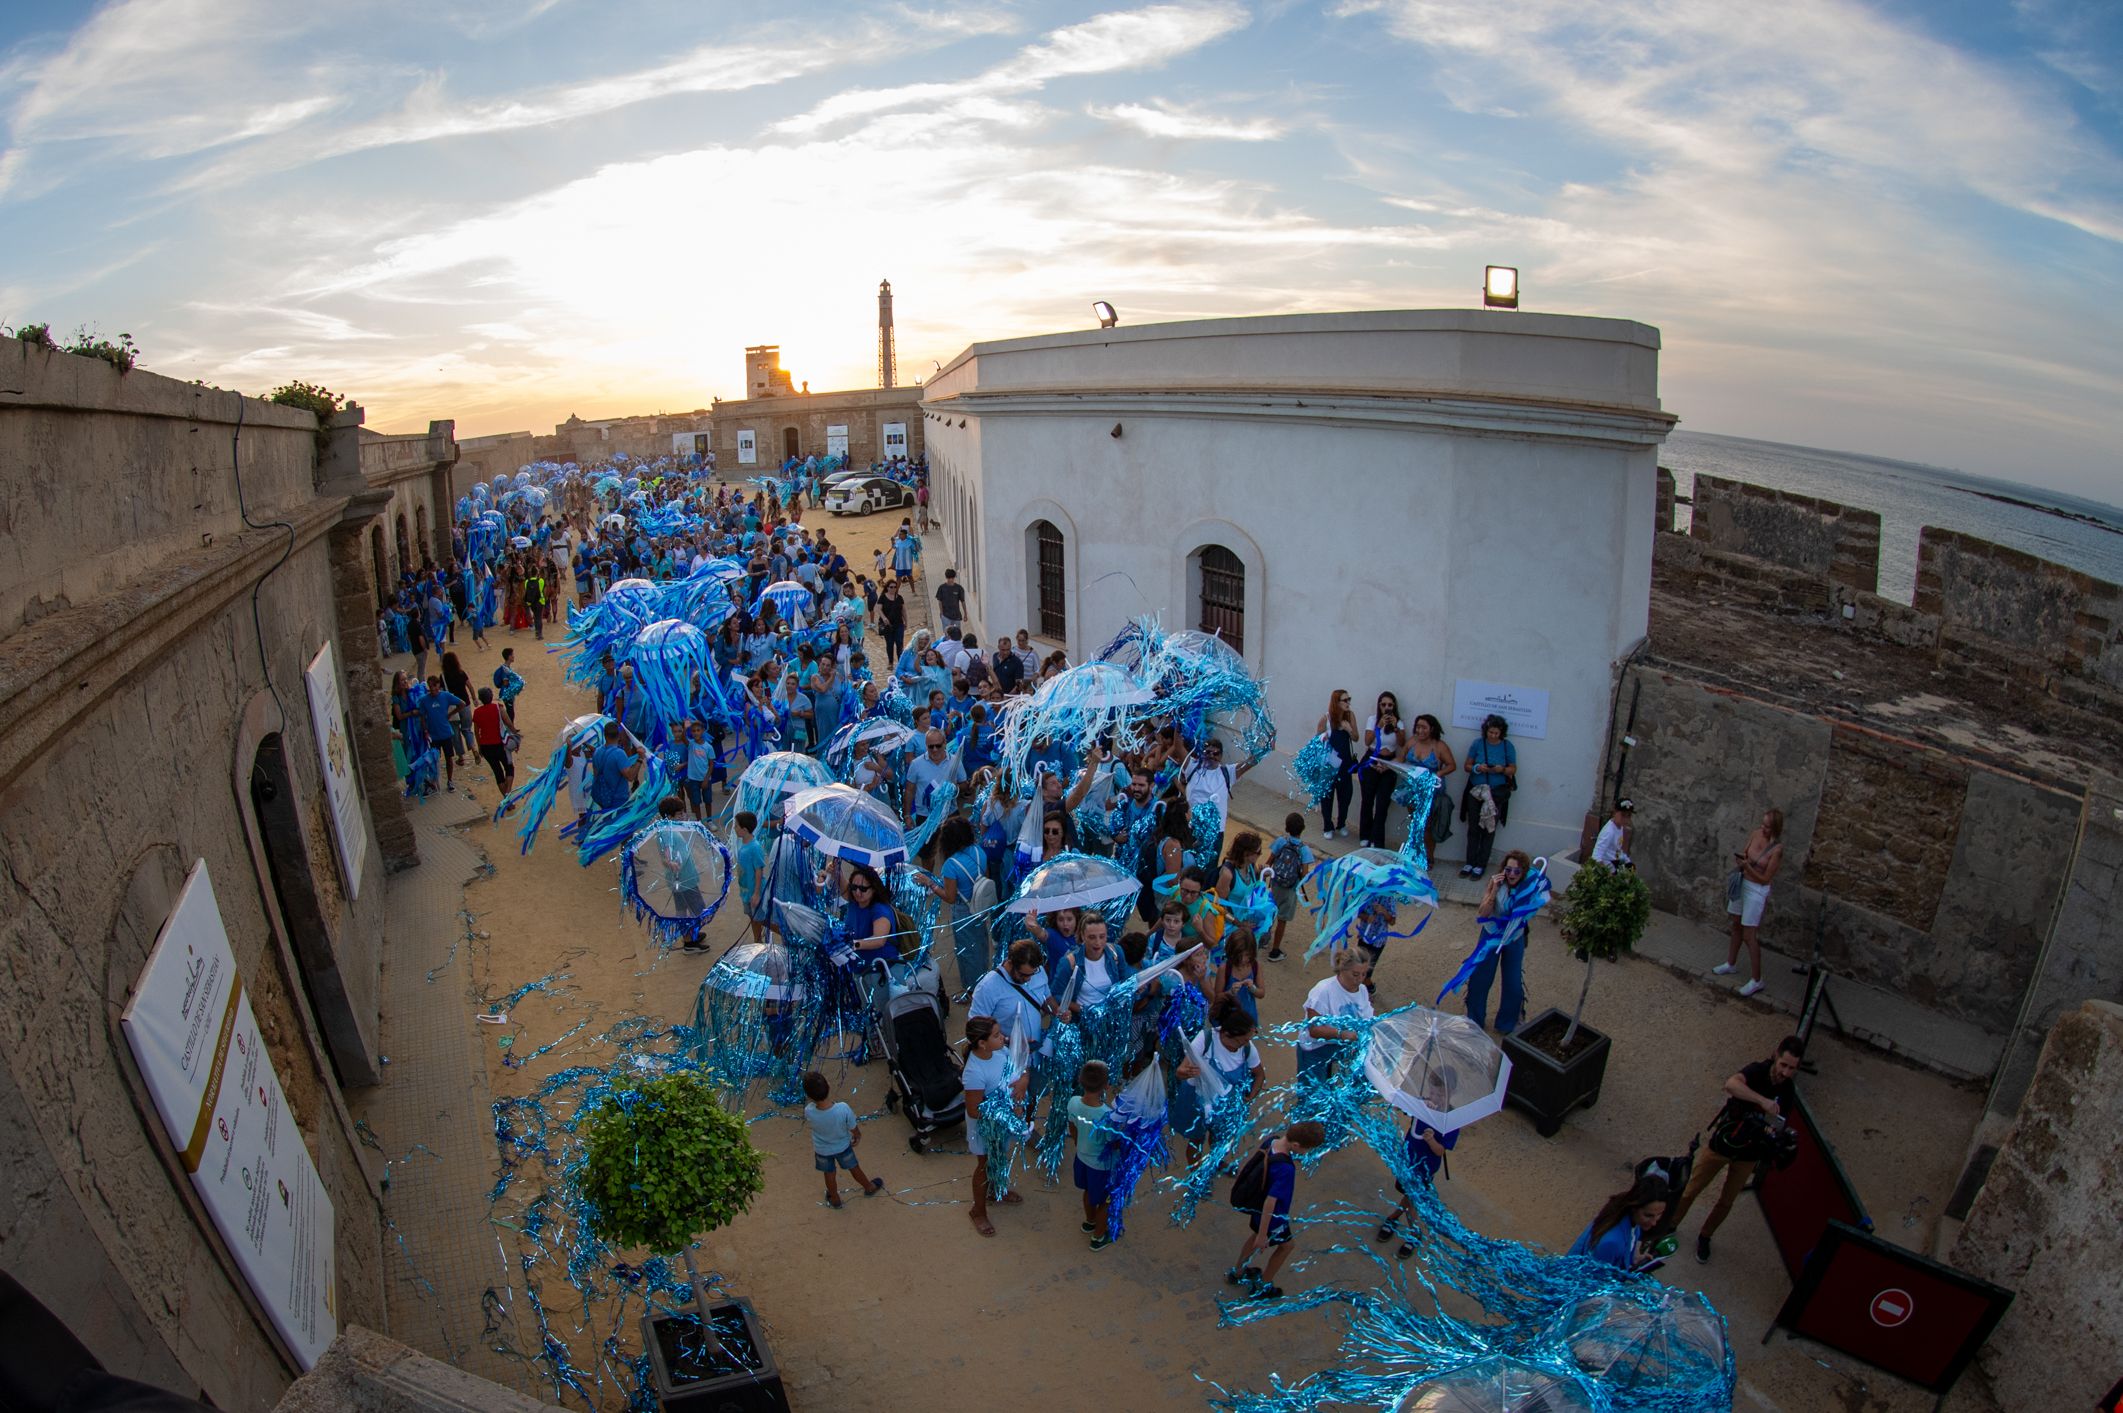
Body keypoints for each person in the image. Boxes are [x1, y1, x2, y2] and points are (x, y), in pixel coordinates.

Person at [1670, 1035, 1803, 1263]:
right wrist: (1762, 1101)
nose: (1786, 1072)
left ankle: (1705, 1236)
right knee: (1692, 1188)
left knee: (1726, 1201)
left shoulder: (1788, 1091)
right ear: (1775, 1056)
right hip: (1724, 1143)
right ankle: (1670, 1225)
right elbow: (1731, 1084)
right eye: (1784, 1065)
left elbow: (1779, 1124)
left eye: (1792, 1068)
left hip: (1749, 1154)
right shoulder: (1757, 1071)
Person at [1227, 1121, 1327, 1301]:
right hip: (1273, 1219)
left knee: (1254, 1235)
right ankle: (1263, 1286)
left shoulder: (1271, 1141)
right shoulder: (1286, 1169)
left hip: (1257, 1209)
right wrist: (1264, 1234)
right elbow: (1270, 1202)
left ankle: (1238, 1271)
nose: (1307, 1153)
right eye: (1307, 1149)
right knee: (1286, 1246)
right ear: (1296, 1145)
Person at [1373, 1072, 1461, 1260]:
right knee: (1408, 1193)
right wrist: (1420, 1107)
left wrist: (1430, 1140)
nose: (1435, 1098)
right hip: (1407, 1159)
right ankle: (1394, 1216)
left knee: (1413, 1198)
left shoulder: (1452, 1119)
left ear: (1451, 1093)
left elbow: (1439, 1151)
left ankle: (1414, 1232)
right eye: (1432, 1092)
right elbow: (1404, 1108)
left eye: (1440, 1095)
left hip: (1425, 1167)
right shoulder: (1424, 1103)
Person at [1173, 996, 1265, 1166]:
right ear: (1228, 1034)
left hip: (1225, 1105)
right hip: (1197, 1102)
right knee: (1196, 1140)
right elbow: (1180, 1071)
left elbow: (1259, 1074)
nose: (1248, 1042)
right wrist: (1186, 1072)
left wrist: (1251, 1095)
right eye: (1244, 1039)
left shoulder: (1247, 1049)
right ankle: (1196, 1177)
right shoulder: (1205, 1039)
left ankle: (1216, 1161)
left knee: (1220, 1136)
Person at [961, 1016, 1027, 1237]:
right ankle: (977, 1211)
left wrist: (1022, 1085)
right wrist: (1006, 1110)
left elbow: (1020, 1071)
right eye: (997, 1035)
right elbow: (973, 1110)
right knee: (985, 1164)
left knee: (999, 1156)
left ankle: (997, 1189)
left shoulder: (1000, 1052)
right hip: (985, 1128)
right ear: (982, 1043)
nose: (1003, 1038)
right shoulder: (974, 1072)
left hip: (1002, 1123)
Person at [1465, 850, 1535, 1034]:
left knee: (1512, 982)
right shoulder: (1496, 883)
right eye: (1508, 869)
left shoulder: (1527, 888)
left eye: (1517, 871)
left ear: (1523, 872)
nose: (1512, 874)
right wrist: (1494, 891)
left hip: (1514, 937)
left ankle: (1507, 1023)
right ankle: (1475, 1019)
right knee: (1481, 977)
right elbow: (1483, 913)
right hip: (1491, 934)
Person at [1716, 807, 1784, 997]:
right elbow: (1746, 852)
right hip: (1743, 882)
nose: (1763, 829)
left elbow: (1766, 878)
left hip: (1756, 889)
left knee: (1749, 935)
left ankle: (1756, 979)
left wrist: (1748, 868)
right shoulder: (1755, 834)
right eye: (1763, 824)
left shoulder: (1776, 850)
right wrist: (1743, 862)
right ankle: (1730, 963)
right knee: (1736, 924)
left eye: (1767, 827)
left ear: (1775, 828)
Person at [802, 1070, 883, 1208]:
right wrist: (857, 1135)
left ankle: (835, 1198)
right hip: (843, 1147)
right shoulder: (843, 1108)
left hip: (822, 1150)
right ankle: (869, 1187)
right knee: (853, 1167)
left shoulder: (809, 1110)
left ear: (809, 1096)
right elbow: (852, 1126)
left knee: (829, 1173)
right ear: (828, 1087)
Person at [1569, 1172, 1671, 1269]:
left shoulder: (1628, 1218)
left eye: (1659, 1214)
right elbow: (1596, 1283)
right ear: (1634, 1207)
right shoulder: (1611, 1243)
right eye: (1648, 1216)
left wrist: (1633, 1258)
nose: (1654, 1222)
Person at [1296, 951, 1374, 1078]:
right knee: (1314, 1093)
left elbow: (1368, 1019)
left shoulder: (1363, 991)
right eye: (1355, 974)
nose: (1359, 979)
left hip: (1342, 1048)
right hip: (1316, 1049)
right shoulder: (1323, 991)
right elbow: (1314, 1030)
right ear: (1342, 969)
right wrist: (1340, 1034)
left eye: (1364, 974)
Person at [1459, 714, 1516, 878]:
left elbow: (1513, 769)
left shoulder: (1507, 746)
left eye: (1496, 733)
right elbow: (1467, 765)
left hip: (1496, 793)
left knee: (1489, 828)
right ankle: (1469, 862)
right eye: (1490, 732)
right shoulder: (1477, 744)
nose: (1493, 735)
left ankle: (1481, 864)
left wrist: (1502, 770)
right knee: (1473, 828)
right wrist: (1478, 768)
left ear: (1501, 733)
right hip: (1476, 791)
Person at [969, 940, 1056, 1048]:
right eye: (1023, 975)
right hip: (1007, 1056)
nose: (1028, 979)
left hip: (1036, 1052)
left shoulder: (1038, 971)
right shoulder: (987, 987)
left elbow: (1047, 998)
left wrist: (1058, 1012)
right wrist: (1010, 1041)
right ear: (1010, 963)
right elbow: (976, 1028)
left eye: (1032, 974)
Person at [1067, 1060, 1116, 1250]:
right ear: (1106, 1086)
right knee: (1106, 1201)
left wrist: (1078, 1143)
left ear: (1081, 1081)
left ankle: (1090, 1222)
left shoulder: (1073, 1103)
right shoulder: (1107, 1115)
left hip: (1082, 1158)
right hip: (1101, 1167)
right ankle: (1099, 1236)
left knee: (1088, 1191)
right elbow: (1112, 1141)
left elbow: (1072, 1126)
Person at [1357, 694, 1407, 849]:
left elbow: (1402, 743)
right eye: (1383, 704)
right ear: (1379, 705)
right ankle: (1365, 835)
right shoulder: (1372, 720)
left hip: (1389, 763)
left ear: (1394, 707)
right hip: (1372, 759)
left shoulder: (1399, 722)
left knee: (1382, 804)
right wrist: (1378, 726)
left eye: (1390, 705)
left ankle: (1377, 839)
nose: (1386, 708)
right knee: (1367, 800)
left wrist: (1397, 728)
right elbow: (1367, 741)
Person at [1405, 713, 1457, 856]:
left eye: (1424, 727)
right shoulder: (1411, 742)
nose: (1420, 731)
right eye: (1418, 727)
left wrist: (1438, 773)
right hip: (1412, 789)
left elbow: (1452, 765)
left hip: (1430, 791)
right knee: (1415, 823)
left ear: (1432, 729)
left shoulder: (1439, 746)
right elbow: (1400, 758)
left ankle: (1428, 856)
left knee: (1427, 825)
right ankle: (1414, 852)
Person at [1263, 813, 1312, 962]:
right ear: (1302, 829)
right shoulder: (1304, 850)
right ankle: (1275, 950)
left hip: (1276, 884)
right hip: (1290, 889)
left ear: (1286, 827)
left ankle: (1263, 939)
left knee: (1270, 913)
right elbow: (1304, 874)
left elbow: (1269, 861)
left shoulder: (1280, 841)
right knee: (1282, 919)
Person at [1315, 689, 1359, 839]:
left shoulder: (1350, 716)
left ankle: (1341, 823)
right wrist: (1324, 737)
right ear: (1336, 702)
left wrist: (1348, 728)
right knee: (1327, 796)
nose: (1348, 703)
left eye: (1349, 699)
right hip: (1329, 765)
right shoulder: (1326, 719)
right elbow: (1316, 741)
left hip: (1345, 763)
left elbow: (1356, 738)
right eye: (1345, 700)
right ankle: (1328, 825)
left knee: (1345, 795)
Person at [904, 729, 967, 822]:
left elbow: (964, 785)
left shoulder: (955, 762)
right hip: (925, 817)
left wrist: (953, 789)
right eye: (931, 746)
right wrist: (907, 815)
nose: (934, 750)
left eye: (938, 746)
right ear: (926, 745)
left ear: (945, 743)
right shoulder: (916, 764)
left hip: (950, 814)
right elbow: (909, 790)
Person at [419, 674, 465, 792]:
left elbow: (462, 703)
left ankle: (449, 780)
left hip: (445, 733)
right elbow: (422, 716)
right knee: (434, 760)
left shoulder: (445, 696)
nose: (433, 688)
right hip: (433, 735)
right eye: (430, 686)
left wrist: (450, 714)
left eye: (434, 685)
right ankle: (434, 782)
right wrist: (425, 731)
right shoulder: (425, 700)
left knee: (449, 757)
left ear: (438, 685)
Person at [842, 865, 898, 961]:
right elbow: (844, 890)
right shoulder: (855, 901)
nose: (857, 892)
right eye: (854, 887)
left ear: (874, 889)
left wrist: (853, 944)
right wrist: (836, 872)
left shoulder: (880, 910)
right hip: (861, 965)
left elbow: (879, 940)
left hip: (880, 968)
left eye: (863, 889)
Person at [588, 721, 644, 815]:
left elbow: (596, 774)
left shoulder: (597, 752)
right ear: (619, 736)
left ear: (605, 735)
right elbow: (630, 776)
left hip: (603, 798)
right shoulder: (619, 754)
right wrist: (640, 759)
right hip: (618, 800)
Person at [470, 686, 515, 792]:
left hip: (486, 747)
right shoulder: (498, 708)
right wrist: (514, 732)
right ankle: (508, 793)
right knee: (509, 768)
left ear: (481, 699)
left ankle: (506, 798)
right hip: (500, 745)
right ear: (491, 697)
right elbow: (508, 722)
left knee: (498, 773)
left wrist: (480, 746)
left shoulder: (477, 712)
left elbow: (476, 732)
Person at [1216, 927, 1264, 1027]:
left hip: (1248, 1016)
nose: (1242, 959)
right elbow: (1217, 997)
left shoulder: (1255, 966)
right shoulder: (1224, 968)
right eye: (1239, 955)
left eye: (1246, 955)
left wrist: (1253, 988)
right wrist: (1230, 992)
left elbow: (1261, 993)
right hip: (1227, 1018)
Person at [734, 811, 767, 945]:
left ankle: (759, 939)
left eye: (736, 826)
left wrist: (756, 893)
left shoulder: (754, 847)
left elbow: (759, 871)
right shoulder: (744, 845)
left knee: (759, 918)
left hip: (753, 891)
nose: (734, 828)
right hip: (746, 890)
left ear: (744, 829)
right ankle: (757, 939)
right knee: (752, 917)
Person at [1592, 798, 1635, 868]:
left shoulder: (1620, 827)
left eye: (1629, 816)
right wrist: (1606, 873)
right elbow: (1596, 856)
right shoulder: (1609, 831)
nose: (1626, 819)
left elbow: (1616, 850)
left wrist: (1627, 860)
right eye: (1623, 815)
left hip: (1615, 860)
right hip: (1607, 864)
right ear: (1615, 812)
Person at [936, 568, 967, 633]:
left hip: (956, 616)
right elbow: (940, 601)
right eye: (949, 578)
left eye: (952, 578)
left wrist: (965, 614)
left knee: (957, 634)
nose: (951, 580)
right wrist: (941, 613)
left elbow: (963, 601)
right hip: (946, 616)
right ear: (946, 578)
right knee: (947, 634)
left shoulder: (959, 588)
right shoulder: (942, 588)